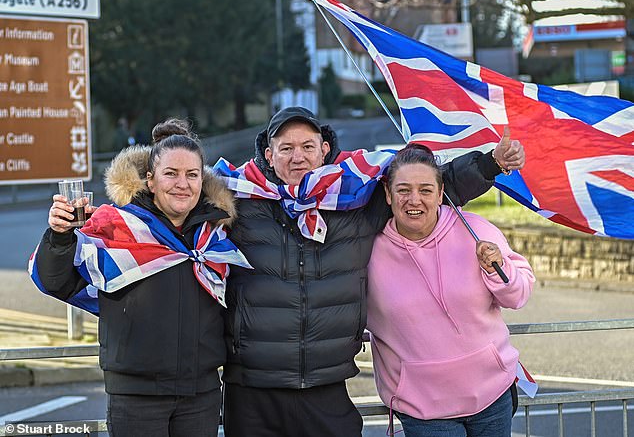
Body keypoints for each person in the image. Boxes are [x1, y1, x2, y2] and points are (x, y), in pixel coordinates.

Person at [217, 106, 525, 437]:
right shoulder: (236, 200)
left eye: (307, 147)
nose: (298, 157)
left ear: (324, 150)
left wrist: (490, 164)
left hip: (326, 382)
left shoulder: (353, 198)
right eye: (286, 148)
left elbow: (427, 184)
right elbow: (178, 199)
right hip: (251, 386)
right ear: (268, 153)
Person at [33, 119, 246, 437]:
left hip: (201, 393)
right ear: (150, 178)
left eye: (192, 175)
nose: (182, 184)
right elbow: (54, 280)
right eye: (170, 174)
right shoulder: (118, 227)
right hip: (136, 396)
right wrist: (60, 236)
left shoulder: (216, 234)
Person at [366, 143, 536, 437]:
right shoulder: (366, 251)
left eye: (425, 189)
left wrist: (498, 269)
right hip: (423, 409)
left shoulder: (475, 229)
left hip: (492, 396)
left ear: (441, 191)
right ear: (387, 194)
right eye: (403, 190)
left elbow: (518, 295)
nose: (414, 200)